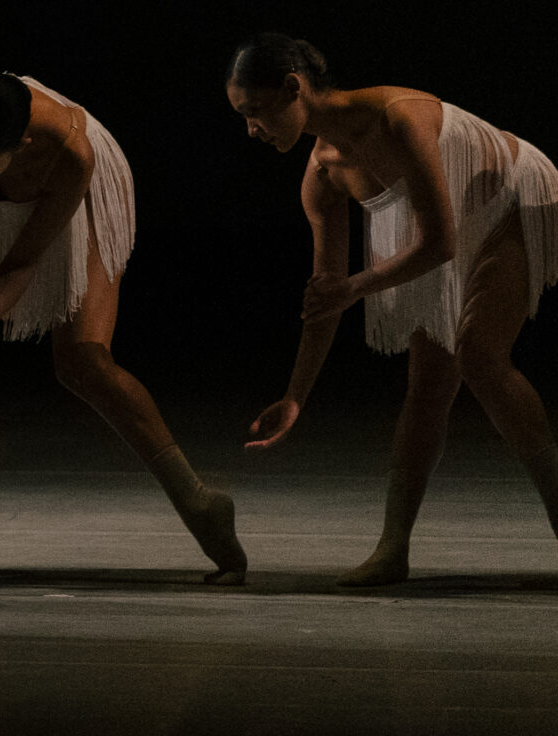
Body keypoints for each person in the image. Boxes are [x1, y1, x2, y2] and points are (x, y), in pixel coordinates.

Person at [226, 33, 557, 585]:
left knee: (479, 355)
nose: (251, 129)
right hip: (451, 223)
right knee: (427, 386)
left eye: (254, 111)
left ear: (292, 88)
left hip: (512, 197)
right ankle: (392, 548)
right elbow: (326, 293)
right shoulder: (322, 176)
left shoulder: (397, 118)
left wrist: (354, 287)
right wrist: (295, 395)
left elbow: (440, 243)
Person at [0, 72, 246, 582]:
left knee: (83, 359)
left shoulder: (69, 152)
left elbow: (22, 261)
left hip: (74, 185)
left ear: (22, 145)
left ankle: (199, 501)